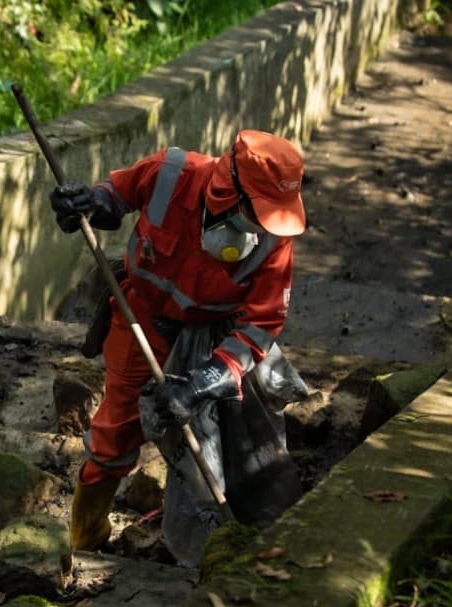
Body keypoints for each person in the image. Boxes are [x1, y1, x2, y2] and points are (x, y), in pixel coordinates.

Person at [49, 129, 308, 550]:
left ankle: (222, 540)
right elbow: (115, 196)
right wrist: (88, 202)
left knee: (232, 443)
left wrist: (204, 382)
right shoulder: (171, 172)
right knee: (115, 433)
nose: (262, 225)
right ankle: (86, 536)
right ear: (228, 190)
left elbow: (262, 322)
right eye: (257, 211)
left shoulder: (275, 238)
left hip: (216, 338)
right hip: (142, 321)